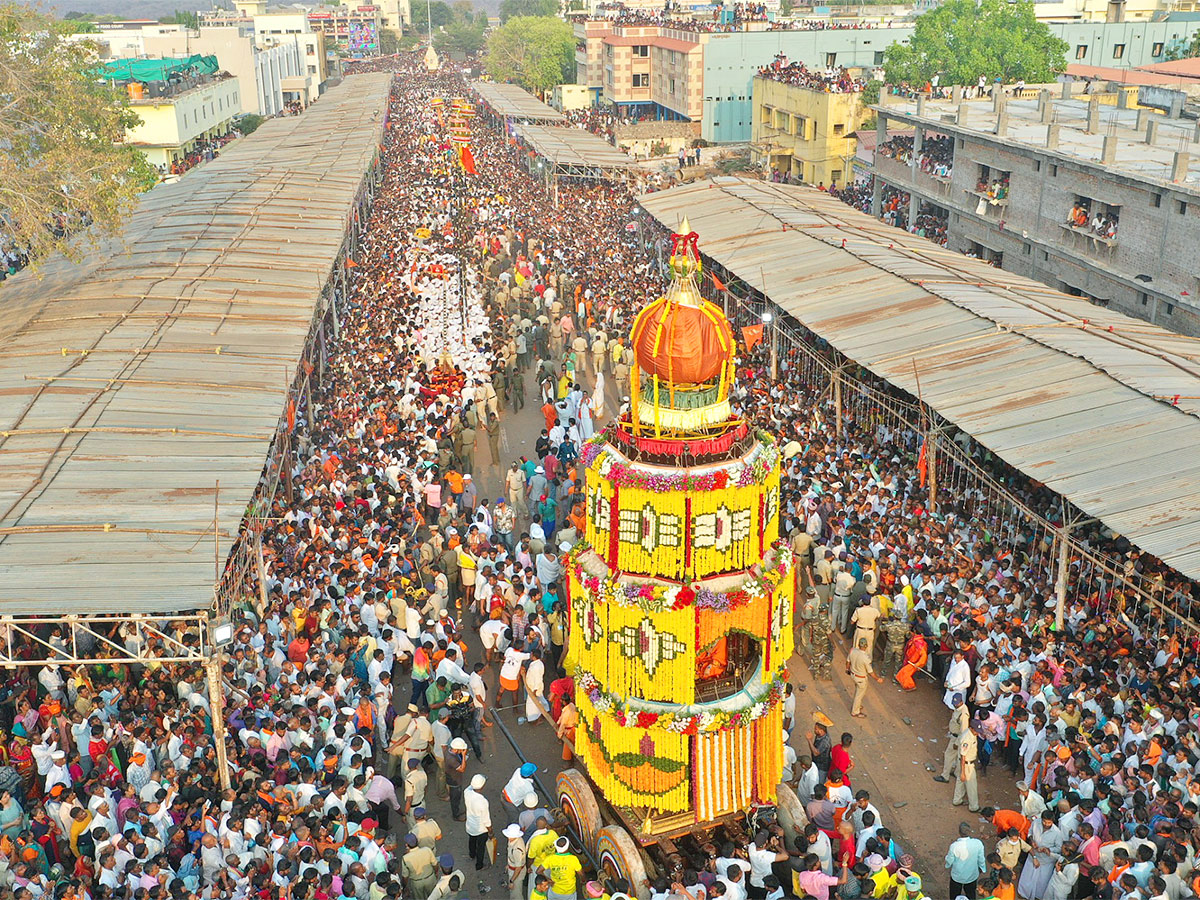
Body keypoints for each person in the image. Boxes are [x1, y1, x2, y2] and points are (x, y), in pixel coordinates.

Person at [946, 822, 987, 899]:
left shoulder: (954, 846)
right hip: (972, 875)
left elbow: (949, 860)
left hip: (957, 876)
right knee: (971, 894)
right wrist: (982, 868)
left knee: (954, 895)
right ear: (970, 831)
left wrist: (947, 864)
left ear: (959, 832)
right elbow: (981, 859)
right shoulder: (978, 843)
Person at [847, 636, 883, 718]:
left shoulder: (853, 651)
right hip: (861, 678)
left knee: (857, 691)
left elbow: (848, 661)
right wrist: (878, 679)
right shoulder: (865, 658)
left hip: (853, 675)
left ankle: (857, 706)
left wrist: (847, 669)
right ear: (866, 646)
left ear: (859, 645)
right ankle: (855, 711)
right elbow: (871, 672)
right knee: (859, 695)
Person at [464, 773, 493, 870]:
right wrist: (490, 831)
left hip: (470, 825)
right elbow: (486, 820)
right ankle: (479, 865)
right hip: (481, 829)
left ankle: (472, 855)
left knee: (472, 841)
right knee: (481, 847)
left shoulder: (466, 792)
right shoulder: (482, 801)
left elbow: (470, 786)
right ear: (482, 787)